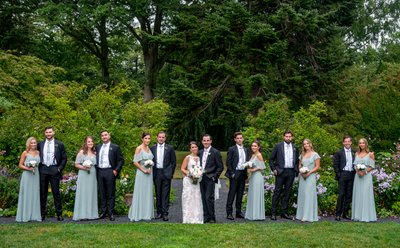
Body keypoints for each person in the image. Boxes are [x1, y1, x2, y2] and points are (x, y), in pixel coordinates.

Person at [38, 126, 67, 221]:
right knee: (43, 193)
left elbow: (64, 158)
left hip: (54, 169)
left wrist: (59, 168)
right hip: (43, 169)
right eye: (46, 132)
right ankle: (42, 214)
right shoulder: (40, 144)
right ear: (44, 133)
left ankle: (59, 214)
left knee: (56, 193)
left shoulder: (59, 144)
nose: (48, 134)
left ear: (53, 133)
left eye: (50, 132)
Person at [269, 130, 299, 220]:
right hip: (280, 172)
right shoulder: (278, 146)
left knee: (287, 193)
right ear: (283, 137)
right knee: (277, 192)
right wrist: (274, 169)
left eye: (290, 136)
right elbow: (271, 159)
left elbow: (297, 161)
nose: (288, 138)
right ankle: (273, 213)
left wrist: (296, 171)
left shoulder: (295, 147)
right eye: (286, 136)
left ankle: (284, 212)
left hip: (291, 172)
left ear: (292, 137)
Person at [95, 130, 124, 221]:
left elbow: (121, 160)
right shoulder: (98, 147)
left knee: (110, 193)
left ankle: (111, 213)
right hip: (100, 171)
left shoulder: (115, 147)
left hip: (110, 171)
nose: (104, 137)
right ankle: (103, 212)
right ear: (101, 137)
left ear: (109, 136)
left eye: (106, 135)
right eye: (102, 135)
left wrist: (116, 170)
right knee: (102, 193)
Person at [150, 131, 176, 221]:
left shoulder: (170, 148)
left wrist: (170, 173)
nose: (161, 139)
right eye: (159, 137)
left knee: (165, 194)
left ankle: (165, 213)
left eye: (163, 137)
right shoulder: (152, 148)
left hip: (166, 174)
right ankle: (159, 212)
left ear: (165, 138)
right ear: (157, 138)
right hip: (157, 173)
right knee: (158, 193)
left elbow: (173, 162)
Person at [128, 132, 155, 221]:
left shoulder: (148, 148)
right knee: (141, 192)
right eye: (146, 138)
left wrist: (150, 167)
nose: (147, 140)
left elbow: (150, 160)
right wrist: (143, 170)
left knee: (147, 192)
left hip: (149, 173)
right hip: (141, 173)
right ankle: (138, 214)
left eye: (149, 138)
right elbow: (135, 162)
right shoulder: (139, 148)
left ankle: (146, 213)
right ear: (142, 139)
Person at [199, 134, 224, 223]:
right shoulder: (200, 152)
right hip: (201, 178)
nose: (206, 142)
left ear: (211, 141)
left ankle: (212, 217)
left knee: (209, 198)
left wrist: (214, 177)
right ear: (202, 141)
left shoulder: (215, 152)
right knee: (203, 197)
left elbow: (220, 167)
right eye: (204, 140)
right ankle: (205, 217)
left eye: (207, 140)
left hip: (210, 178)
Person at [73, 136, 98, 221]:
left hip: (92, 174)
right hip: (83, 174)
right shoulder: (81, 152)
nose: (90, 143)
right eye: (88, 142)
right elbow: (76, 164)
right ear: (85, 143)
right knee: (83, 192)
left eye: (91, 141)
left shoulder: (95, 153)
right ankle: (82, 214)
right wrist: (84, 167)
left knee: (91, 192)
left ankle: (91, 214)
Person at [16, 137, 42, 222]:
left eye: (35, 143)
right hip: (27, 175)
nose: (33, 144)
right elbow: (20, 165)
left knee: (35, 194)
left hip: (35, 175)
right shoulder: (25, 153)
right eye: (32, 143)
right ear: (29, 144)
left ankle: (34, 215)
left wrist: (33, 167)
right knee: (27, 194)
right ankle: (25, 215)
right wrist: (28, 168)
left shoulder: (38, 152)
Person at [225, 132, 249, 220]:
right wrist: (232, 173)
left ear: (243, 139)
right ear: (235, 139)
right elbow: (228, 162)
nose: (239, 139)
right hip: (235, 173)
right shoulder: (232, 149)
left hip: (243, 173)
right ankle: (229, 213)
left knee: (240, 193)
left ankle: (238, 212)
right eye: (237, 138)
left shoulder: (245, 149)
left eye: (241, 138)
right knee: (232, 193)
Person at [352, 138, 377, 222]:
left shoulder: (371, 154)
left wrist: (365, 172)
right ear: (358, 145)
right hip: (358, 176)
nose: (361, 144)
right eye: (360, 143)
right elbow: (355, 165)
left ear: (366, 144)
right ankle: (358, 216)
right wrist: (358, 171)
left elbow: (372, 166)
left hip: (366, 177)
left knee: (366, 194)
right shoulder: (356, 154)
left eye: (363, 143)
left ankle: (366, 216)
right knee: (358, 194)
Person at [295, 139, 321, 222]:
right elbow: (299, 165)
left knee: (308, 194)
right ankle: (301, 215)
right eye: (304, 144)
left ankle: (308, 216)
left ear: (310, 144)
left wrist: (309, 173)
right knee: (302, 194)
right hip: (302, 177)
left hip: (311, 176)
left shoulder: (315, 155)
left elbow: (317, 166)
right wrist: (301, 171)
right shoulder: (302, 155)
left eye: (307, 144)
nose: (306, 145)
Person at [333, 135, 356, 221]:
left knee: (349, 195)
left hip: (352, 174)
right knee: (341, 195)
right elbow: (335, 164)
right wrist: (339, 174)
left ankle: (345, 214)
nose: (347, 143)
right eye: (345, 141)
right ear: (343, 142)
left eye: (348, 141)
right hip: (343, 174)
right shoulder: (339, 152)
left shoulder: (354, 152)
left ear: (351, 142)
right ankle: (338, 214)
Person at [181, 141, 204, 224]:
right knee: (188, 198)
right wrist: (190, 175)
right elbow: (182, 168)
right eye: (192, 147)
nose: (194, 148)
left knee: (196, 198)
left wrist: (198, 175)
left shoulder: (199, 158)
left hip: (196, 182)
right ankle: (188, 218)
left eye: (195, 147)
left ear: (198, 148)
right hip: (188, 181)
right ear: (190, 149)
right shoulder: (188, 157)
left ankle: (197, 217)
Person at [245, 141, 266, 220]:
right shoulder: (253, 155)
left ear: (258, 147)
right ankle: (251, 214)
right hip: (253, 177)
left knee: (256, 195)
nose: (253, 147)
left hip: (257, 177)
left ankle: (257, 215)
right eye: (252, 146)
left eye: (255, 146)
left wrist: (253, 170)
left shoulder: (259, 155)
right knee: (252, 194)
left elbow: (263, 167)